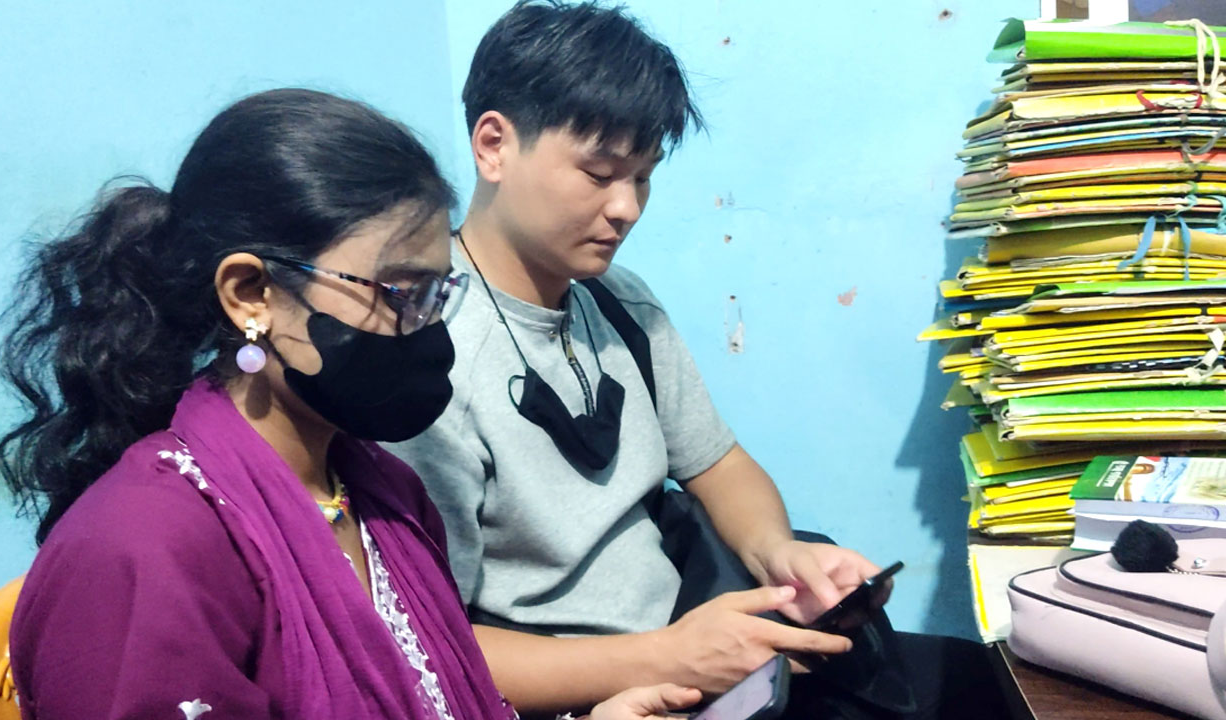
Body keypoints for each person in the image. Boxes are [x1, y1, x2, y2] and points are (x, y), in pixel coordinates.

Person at [385, 3, 1017, 719]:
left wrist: (780, 558)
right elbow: (431, 649)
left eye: (643, 177)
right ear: (494, 146)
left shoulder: (621, 303)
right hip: (602, 694)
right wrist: (671, 656)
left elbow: (719, 465)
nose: (626, 208)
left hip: (704, 648)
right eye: (599, 173)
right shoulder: (425, 362)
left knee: (977, 683)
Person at [0, 87, 700, 720]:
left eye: (438, 294)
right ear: (251, 295)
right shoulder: (143, 551)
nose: (428, 330)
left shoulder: (383, 495)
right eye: (400, 294)